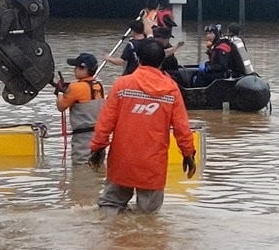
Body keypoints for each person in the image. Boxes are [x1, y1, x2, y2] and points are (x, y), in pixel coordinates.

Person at [89, 41, 196, 214]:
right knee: (148, 217)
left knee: (110, 206)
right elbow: (182, 128)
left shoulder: (122, 85)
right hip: (153, 164)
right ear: (162, 62)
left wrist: (97, 148)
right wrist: (188, 153)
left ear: (138, 59)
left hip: (122, 159)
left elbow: (105, 122)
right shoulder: (171, 90)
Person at [54, 52, 105, 165]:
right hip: (99, 135)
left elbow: (61, 107)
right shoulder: (99, 86)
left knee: (81, 167)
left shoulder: (75, 87)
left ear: (83, 68)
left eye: (76, 67)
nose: (74, 70)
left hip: (83, 138)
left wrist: (59, 93)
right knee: (97, 166)